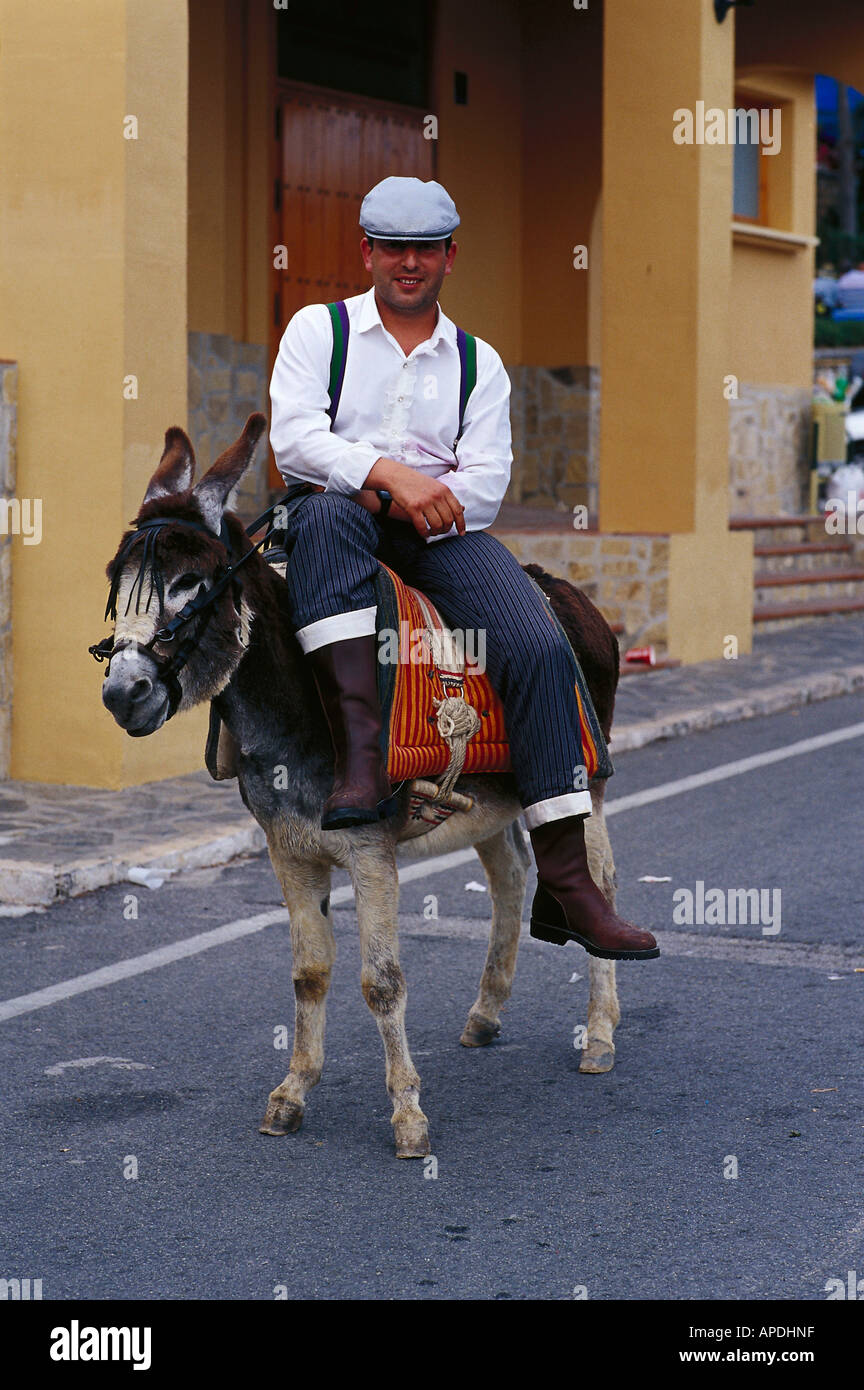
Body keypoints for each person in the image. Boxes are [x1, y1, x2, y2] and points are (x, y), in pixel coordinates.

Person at [269, 176, 657, 961]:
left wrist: (414, 498)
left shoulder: (480, 363)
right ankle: (358, 766)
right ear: (368, 253)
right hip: (336, 522)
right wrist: (393, 475)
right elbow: (297, 443)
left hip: (441, 535)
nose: (407, 263)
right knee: (327, 515)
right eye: (392, 248)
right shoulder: (320, 331)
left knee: (541, 645)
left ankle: (567, 884)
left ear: (449, 257)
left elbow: (484, 485)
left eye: (425, 250)